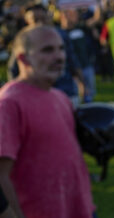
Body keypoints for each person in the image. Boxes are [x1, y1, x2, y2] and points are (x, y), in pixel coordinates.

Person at [0, 25, 95, 217]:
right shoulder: (9, 103)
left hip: (80, 210)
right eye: (47, 50)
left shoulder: (60, 97)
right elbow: (1, 175)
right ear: (23, 58)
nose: (59, 57)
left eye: (61, 49)